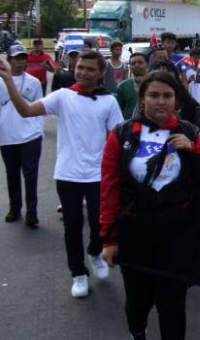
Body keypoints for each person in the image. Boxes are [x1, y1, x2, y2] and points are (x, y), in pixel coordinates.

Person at [0, 50, 123, 298]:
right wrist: (8, 80)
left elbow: (118, 139)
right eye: (79, 67)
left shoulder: (109, 101)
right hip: (68, 174)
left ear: (101, 73)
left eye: (89, 69)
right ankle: (79, 274)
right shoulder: (63, 97)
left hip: (99, 175)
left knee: (101, 224)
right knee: (73, 225)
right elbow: (25, 110)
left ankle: (94, 252)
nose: (83, 72)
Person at [100, 71, 200, 340]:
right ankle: (137, 331)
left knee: (172, 301)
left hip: (177, 231)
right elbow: (110, 188)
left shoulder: (189, 132)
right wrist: (108, 239)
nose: (161, 102)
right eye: (154, 95)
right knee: (139, 299)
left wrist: (193, 153)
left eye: (167, 96)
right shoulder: (122, 134)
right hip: (135, 230)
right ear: (142, 98)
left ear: (176, 99)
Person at [0, 45, 44, 226]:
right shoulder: (1, 82)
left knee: (30, 175)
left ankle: (32, 212)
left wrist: (38, 130)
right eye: (16, 58)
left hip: (30, 136)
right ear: (9, 60)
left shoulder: (33, 82)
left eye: (23, 58)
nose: (20, 62)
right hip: (7, 135)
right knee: (12, 174)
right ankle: (14, 208)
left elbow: (40, 108)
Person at [116, 53, 149, 120]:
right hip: (129, 125)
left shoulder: (155, 83)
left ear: (147, 65)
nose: (137, 65)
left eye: (140, 62)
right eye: (133, 63)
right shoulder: (122, 86)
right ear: (130, 67)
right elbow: (119, 110)